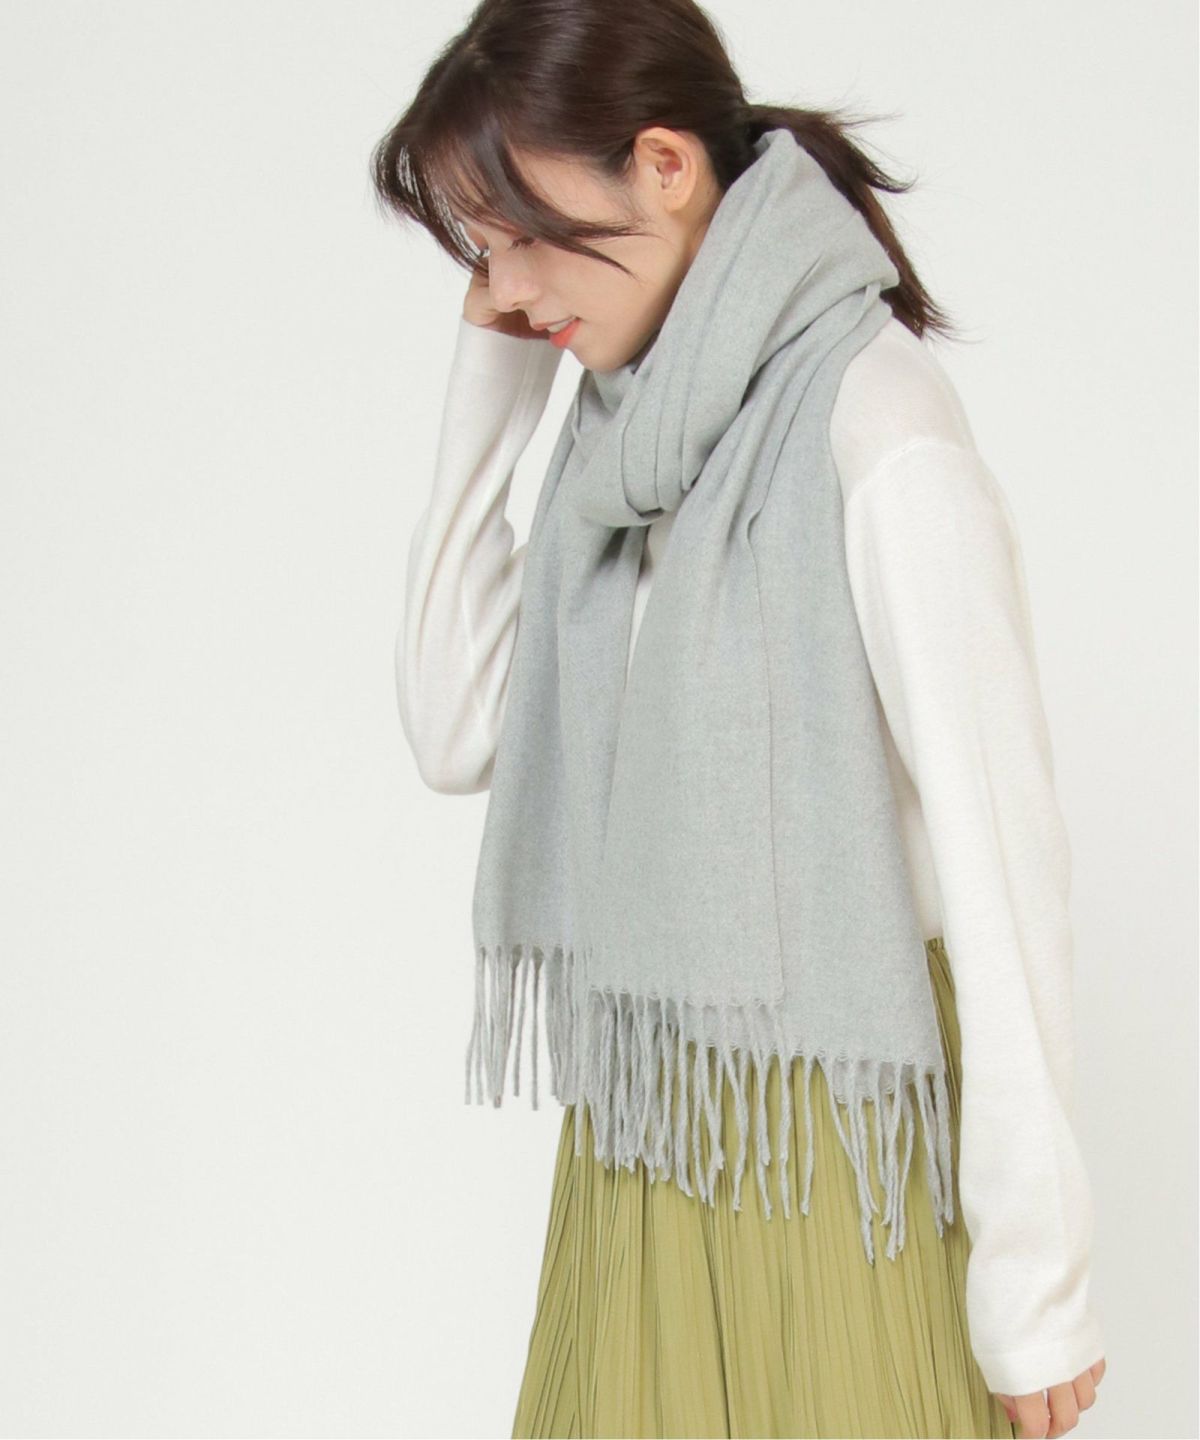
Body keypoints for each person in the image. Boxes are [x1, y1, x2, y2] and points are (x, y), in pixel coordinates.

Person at [371, 3, 1108, 1437]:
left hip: (833, 1133)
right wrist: (493, 392)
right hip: (649, 1122)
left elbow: (1004, 867)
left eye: (521, 233)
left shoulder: (876, 422)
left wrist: (1039, 1282)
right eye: (479, 250)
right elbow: (454, 726)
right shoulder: (615, 441)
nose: (505, 287)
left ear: (664, 166)